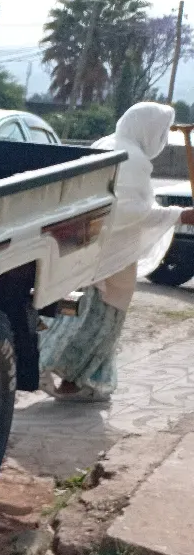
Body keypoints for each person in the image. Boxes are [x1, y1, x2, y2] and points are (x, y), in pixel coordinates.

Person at [41, 101, 194, 402]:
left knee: (75, 317)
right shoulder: (131, 158)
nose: (163, 140)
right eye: (161, 131)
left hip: (86, 250)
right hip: (111, 258)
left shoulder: (105, 144)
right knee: (97, 321)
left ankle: (71, 378)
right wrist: (179, 215)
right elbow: (124, 212)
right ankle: (69, 378)